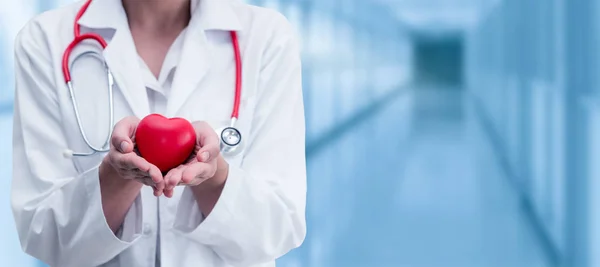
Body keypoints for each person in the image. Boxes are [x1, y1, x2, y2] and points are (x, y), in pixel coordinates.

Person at [10, 0, 306, 266]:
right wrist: (117, 176)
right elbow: (44, 236)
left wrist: (213, 177)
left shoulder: (266, 38)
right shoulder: (45, 40)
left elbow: (279, 229)